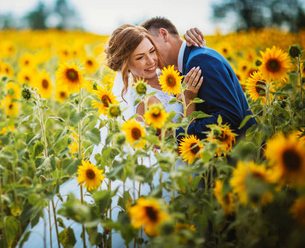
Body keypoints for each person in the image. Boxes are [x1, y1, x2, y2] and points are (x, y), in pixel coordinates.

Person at [21, 25, 203, 247]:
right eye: (140, 57)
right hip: (163, 171)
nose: (151, 61)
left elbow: (174, 47)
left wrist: (192, 38)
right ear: (127, 65)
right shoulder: (146, 102)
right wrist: (190, 96)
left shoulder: (157, 75)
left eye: (151, 51)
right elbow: (178, 143)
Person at [140, 17, 257, 140]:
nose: (152, 58)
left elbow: (229, 116)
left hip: (243, 154)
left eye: (152, 49)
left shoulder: (199, 60)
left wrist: (177, 136)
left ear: (164, 34)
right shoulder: (187, 64)